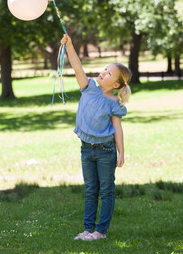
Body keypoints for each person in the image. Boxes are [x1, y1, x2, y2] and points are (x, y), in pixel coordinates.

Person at [60, 34, 132, 241]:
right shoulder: (89, 87)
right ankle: (87, 230)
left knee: (107, 191)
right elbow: (77, 67)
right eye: (104, 69)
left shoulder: (114, 104)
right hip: (86, 149)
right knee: (91, 190)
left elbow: (117, 129)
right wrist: (70, 46)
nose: (103, 73)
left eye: (109, 74)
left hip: (105, 151)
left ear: (117, 85)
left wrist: (121, 152)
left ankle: (100, 232)